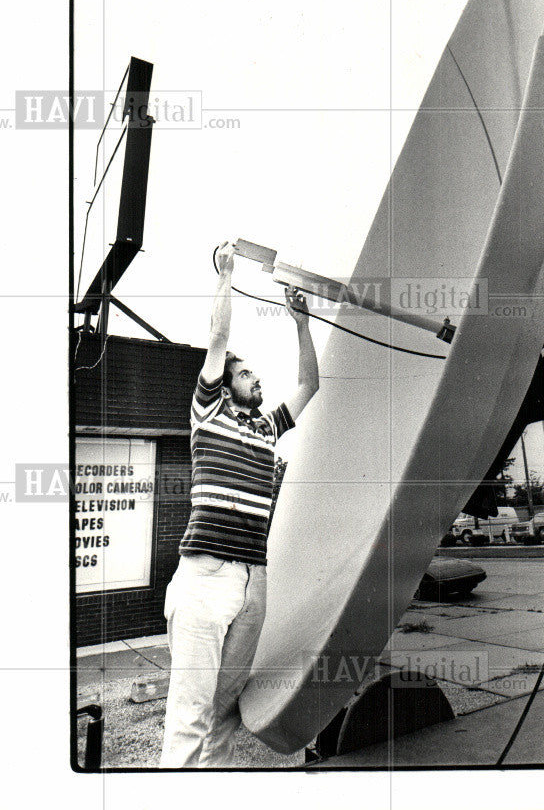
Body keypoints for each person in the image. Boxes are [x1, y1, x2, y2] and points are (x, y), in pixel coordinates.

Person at [160, 240, 319, 768]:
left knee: (224, 717)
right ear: (225, 387)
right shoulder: (209, 413)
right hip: (206, 579)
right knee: (190, 718)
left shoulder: (267, 427)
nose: (257, 379)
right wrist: (225, 276)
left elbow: (309, 384)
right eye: (247, 374)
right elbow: (219, 336)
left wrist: (301, 321)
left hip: (255, 580)